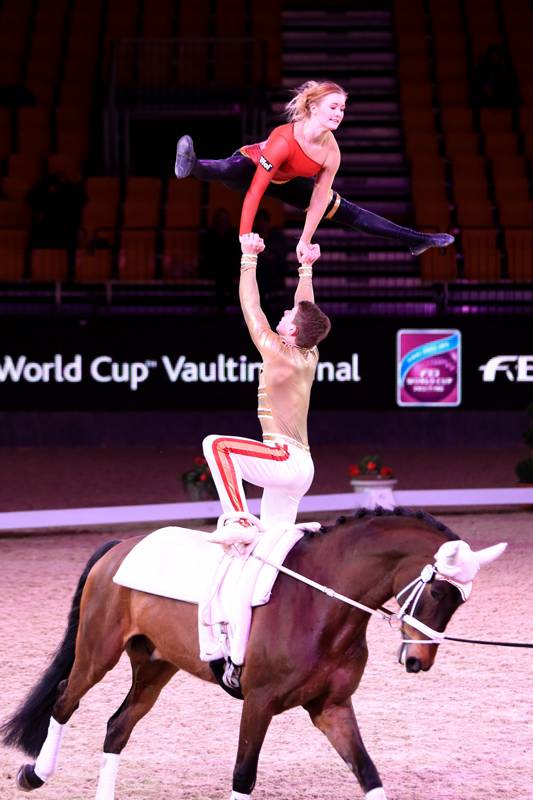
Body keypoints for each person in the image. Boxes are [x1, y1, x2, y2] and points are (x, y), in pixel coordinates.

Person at [175, 80, 454, 263]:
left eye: (342, 108)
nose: (339, 113)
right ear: (313, 107)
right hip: (251, 169)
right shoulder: (284, 140)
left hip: (287, 182)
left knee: (349, 211)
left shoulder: (331, 153)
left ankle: (415, 240)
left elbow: (319, 199)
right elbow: (257, 189)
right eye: (333, 107)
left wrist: (305, 239)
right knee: (227, 168)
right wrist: (244, 235)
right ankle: (193, 165)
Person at [202, 232, 329, 547]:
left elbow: (251, 307)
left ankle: (240, 518)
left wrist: (248, 258)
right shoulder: (310, 353)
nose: (284, 313)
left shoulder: (278, 351)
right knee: (272, 546)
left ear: (292, 330)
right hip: (301, 468)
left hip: (284, 460)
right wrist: (306, 268)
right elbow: (306, 306)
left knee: (217, 446)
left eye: (288, 316)